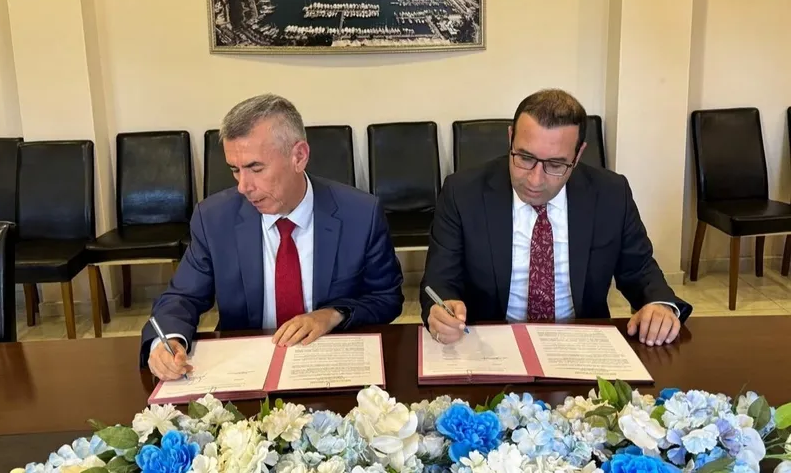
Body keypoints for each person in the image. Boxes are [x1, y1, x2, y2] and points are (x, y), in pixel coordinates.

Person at [143, 94, 404, 380]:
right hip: (245, 366)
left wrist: (333, 314)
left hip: (329, 360)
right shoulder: (215, 218)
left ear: (299, 156)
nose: (243, 186)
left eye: (256, 168)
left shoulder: (360, 214)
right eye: (235, 170)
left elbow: (386, 298)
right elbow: (182, 297)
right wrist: (166, 341)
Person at [421, 89, 691, 348]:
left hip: (581, 343)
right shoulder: (462, 193)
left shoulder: (610, 194)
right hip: (491, 345)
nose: (535, 180)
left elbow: (639, 269)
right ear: (511, 138)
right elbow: (441, 280)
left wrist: (659, 305)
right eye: (525, 157)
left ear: (578, 153)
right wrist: (442, 310)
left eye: (555, 164)